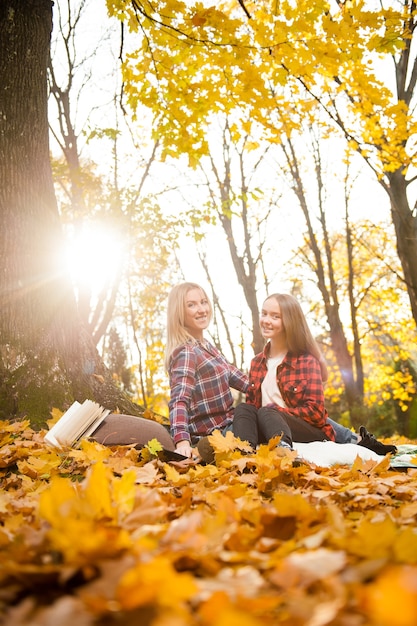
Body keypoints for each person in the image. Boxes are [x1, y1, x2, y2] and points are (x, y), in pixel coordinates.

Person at [232, 293, 397, 456]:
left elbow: (316, 414)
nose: (266, 320)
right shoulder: (256, 363)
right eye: (264, 313)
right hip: (268, 427)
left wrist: (277, 410)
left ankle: (284, 450)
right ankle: (244, 454)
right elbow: (253, 409)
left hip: (305, 430)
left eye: (275, 316)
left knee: (268, 412)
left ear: (289, 322)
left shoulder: (306, 361)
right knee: (244, 408)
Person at [165, 282, 249, 458]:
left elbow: (234, 375)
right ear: (179, 312)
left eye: (203, 302)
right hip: (214, 433)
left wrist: (268, 389)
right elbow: (179, 399)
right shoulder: (187, 352)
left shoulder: (206, 346)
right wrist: (182, 441)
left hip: (230, 424)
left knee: (262, 411)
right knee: (249, 412)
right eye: (191, 305)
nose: (202, 309)